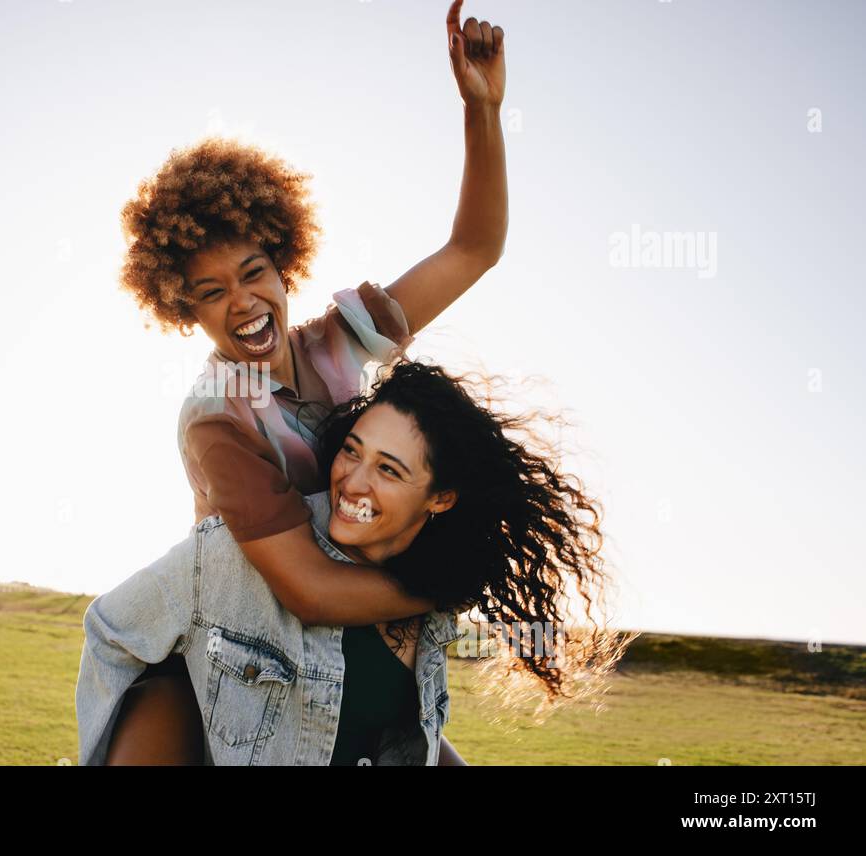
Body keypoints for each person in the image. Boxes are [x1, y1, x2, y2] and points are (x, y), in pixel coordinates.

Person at [108, 0, 509, 763]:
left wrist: (481, 110)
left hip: (342, 652)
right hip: (249, 659)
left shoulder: (339, 343)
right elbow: (309, 590)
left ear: (285, 262)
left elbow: (474, 248)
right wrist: (452, 579)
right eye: (209, 291)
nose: (242, 304)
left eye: (253, 273)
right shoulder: (216, 423)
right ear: (180, 306)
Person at [76, 359, 632, 765]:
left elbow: (392, 731)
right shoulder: (235, 553)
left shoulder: (433, 594)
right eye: (352, 451)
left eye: (389, 470)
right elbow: (111, 628)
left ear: (441, 498)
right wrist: (159, 708)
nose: (354, 482)